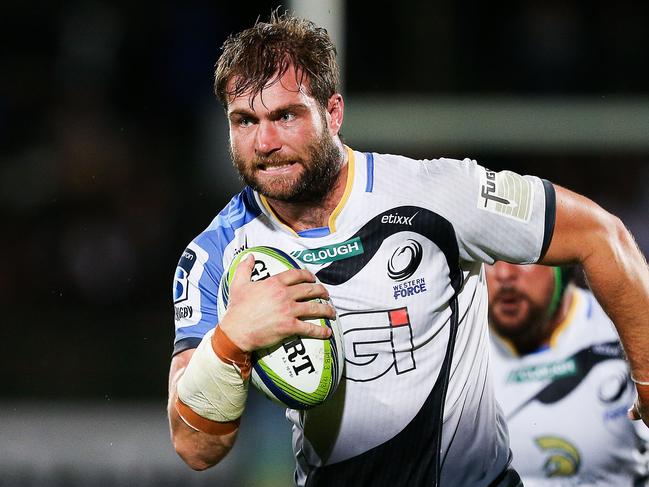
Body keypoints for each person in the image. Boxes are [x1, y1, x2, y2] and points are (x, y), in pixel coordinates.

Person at [167, 11, 649, 487]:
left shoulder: (439, 194)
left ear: (332, 113)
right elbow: (195, 448)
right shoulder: (217, 257)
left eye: (285, 115)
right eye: (244, 121)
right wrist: (232, 340)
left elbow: (600, 236)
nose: (265, 141)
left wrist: (646, 381)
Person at [487, 263, 649, 485]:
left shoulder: (628, 335)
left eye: (519, 255)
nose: (504, 274)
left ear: (561, 261)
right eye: (489, 257)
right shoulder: (450, 347)